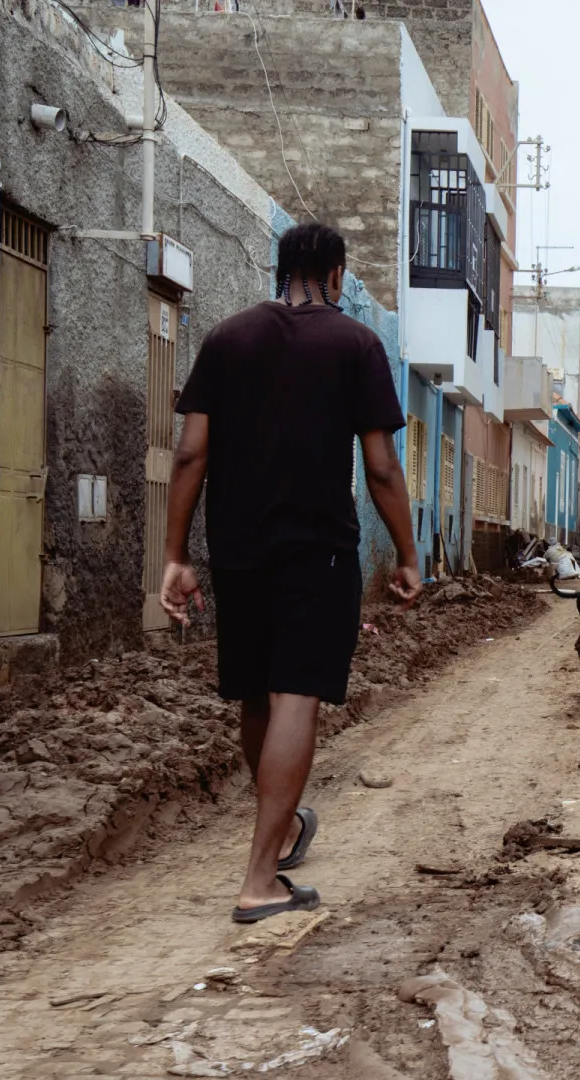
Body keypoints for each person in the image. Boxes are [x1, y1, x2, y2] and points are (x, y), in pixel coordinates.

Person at [159, 223, 422, 923]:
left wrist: (176, 556)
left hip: (236, 549)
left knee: (256, 697)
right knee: (296, 695)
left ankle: (279, 832)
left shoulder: (227, 338)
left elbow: (190, 456)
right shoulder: (356, 344)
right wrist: (406, 553)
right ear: (336, 275)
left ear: (281, 272)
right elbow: (380, 465)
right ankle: (258, 879)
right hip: (318, 551)